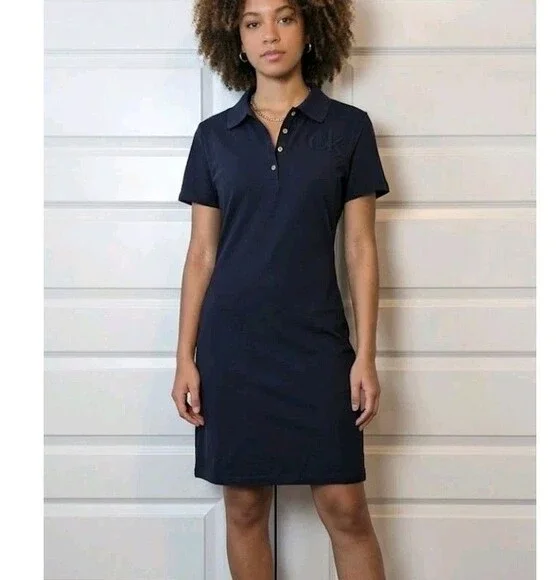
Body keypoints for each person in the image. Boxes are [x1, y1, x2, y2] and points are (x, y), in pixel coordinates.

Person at [172, 1, 389, 578]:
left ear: (311, 29)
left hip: (317, 346)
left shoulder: (348, 128)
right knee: (244, 508)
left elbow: (361, 248)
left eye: (285, 18)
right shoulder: (214, 137)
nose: (269, 34)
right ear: (235, 39)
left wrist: (366, 355)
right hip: (232, 350)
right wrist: (185, 357)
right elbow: (201, 254)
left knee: (345, 508)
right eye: (253, 22)